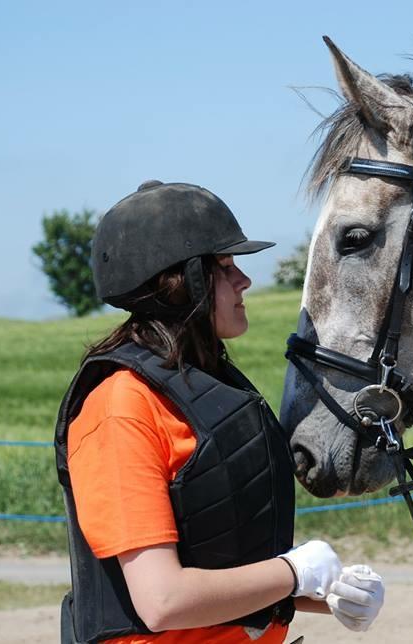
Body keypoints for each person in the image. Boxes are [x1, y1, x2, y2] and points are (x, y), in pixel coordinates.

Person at [54, 180, 384, 643]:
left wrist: (324, 591)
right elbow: (162, 600)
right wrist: (293, 573)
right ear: (178, 284)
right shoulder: (121, 409)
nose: (244, 280)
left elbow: (221, 553)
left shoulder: (211, 386)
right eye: (225, 267)